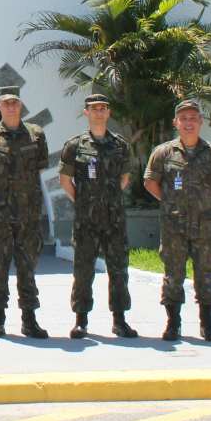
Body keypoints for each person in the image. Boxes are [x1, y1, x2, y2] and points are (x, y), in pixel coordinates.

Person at [144, 99, 211, 342]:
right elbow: (150, 182)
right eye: (183, 118)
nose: (188, 123)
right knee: (173, 275)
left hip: (204, 227)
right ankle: (173, 324)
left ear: (200, 122)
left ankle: (208, 325)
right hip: (174, 226)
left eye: (193, 118)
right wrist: (168, 202)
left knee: (205, 274)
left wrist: (209, 202)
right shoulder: (164, 152)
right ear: (176, 122)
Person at [0, 85, 49, 340]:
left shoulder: (36, 134)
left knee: (28, 267)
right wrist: (1, 193)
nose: (11, 107)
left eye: (15, 102)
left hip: (28, 214)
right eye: (6, 103)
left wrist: (21, 192)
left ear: (20, 105)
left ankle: (29, 320)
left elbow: (38, 169)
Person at [59, 93, 137, 339]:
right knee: (83, 270)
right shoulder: (75, 145)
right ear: (86, 113)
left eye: (103, 108)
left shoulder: (120, 144)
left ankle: (120, 320)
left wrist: (109, 200)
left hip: (114, 220)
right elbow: (64, 181)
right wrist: (84, 202)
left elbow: (124, 178)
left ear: (108, 112)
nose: (99, 112)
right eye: (94, 109)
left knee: (118, 270)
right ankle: (81, 320)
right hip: (86, 221)